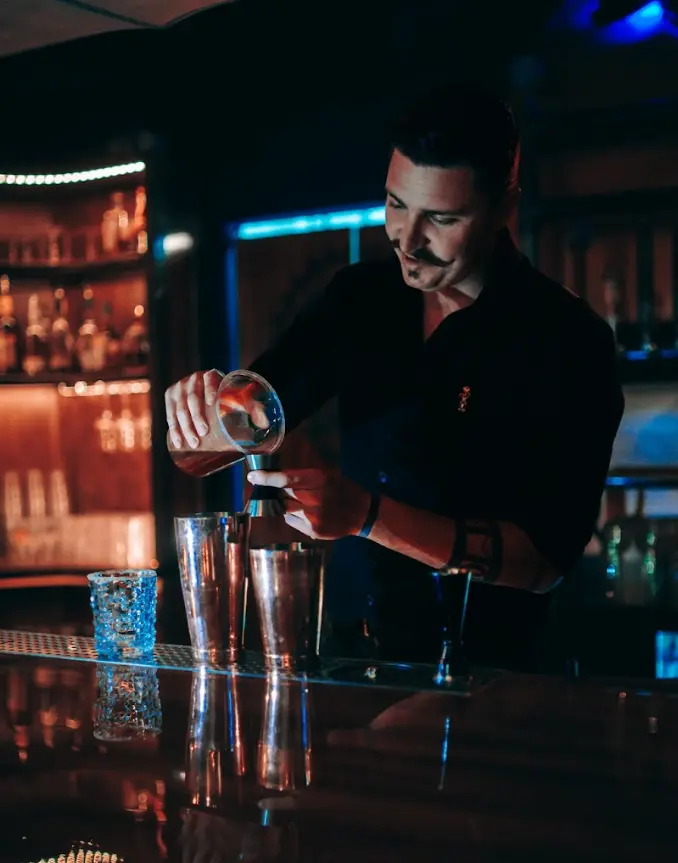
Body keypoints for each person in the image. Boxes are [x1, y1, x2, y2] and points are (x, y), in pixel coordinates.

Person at [166, 83, 624, 668]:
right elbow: (219, 440)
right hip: (347, 665)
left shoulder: (567, 340)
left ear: (503, 208)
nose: (407, 239)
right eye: (396, 203)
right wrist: (199, 412)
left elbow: (542, 563)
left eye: (442, 218)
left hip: (490, 680)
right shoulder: (360, 299)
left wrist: (367, 516)